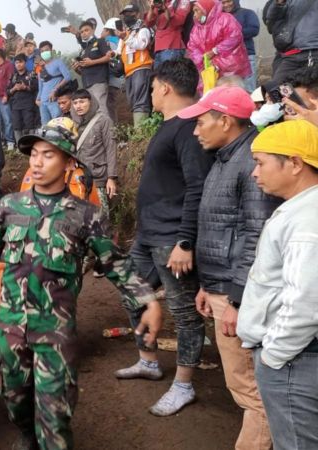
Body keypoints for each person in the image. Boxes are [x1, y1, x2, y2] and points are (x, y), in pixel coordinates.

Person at [0, 122, 163, 450]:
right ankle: (26, 433)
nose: (36, 162)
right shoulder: (9, 207)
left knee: (55, 413)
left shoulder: (84, 215)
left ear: (68, 163)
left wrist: (147, 300)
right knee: (12, 393)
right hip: (11, 327)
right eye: (33, 154)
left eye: (47, 155)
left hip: (54, 331)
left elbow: (115, 263)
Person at [177, 86, 279, 449]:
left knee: (253, 390)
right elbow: (223, 228)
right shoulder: (226, 157)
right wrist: (210, 285)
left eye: (201, 121)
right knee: (243, 385)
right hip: (226, 289)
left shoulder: (252, 161)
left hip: (242, 296)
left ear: (225, 120)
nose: (195, 130)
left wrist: (236, 299)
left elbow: (257, 235)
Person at [114, 58, 215, 416]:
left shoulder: (189, 128)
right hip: (148, 235)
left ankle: (184, 385)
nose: (151, 92)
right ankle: (149, 361)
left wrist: (185, 241)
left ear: (167, 88)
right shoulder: (169, 125)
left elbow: (197, 187)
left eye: (154, 87)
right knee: (132, 293)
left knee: (185, 316)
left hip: (172, 239)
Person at [237, 120, 318, 449]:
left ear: (295, 163)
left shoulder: (307, 222)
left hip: (294, 361)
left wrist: (273, 356)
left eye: (260, 163)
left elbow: (306, 302)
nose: (255, 173)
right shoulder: (301, 210)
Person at [188, 0, 251, 93]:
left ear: (205, 10)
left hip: (230, 69)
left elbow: (234, 37)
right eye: (194, 11)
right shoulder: (196, 28)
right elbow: (192, 47)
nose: (194, 14)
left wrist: (215, 51)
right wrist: (202, 58)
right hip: (209, 70)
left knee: (234, 95)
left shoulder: (225, 19)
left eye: (197, 10)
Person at [70, 89, 118, 213]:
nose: (78, 106)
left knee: (101, 217)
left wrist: (111, 178)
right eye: (75, 103)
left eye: (82, 102)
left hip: (98, 178)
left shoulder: (104, 121)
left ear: (90, 102)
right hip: (78, 180)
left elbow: (111, 148)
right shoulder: (72, 125)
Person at [263, 0, 318, 84]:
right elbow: (271, 24)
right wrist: (278, 4)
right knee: (275, 90)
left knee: (310, 89)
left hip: (312, 50)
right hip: (290, 53)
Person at [119, 3, 154, 126]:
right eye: (124, 14)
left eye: (129, 14)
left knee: (140, 100)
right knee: (132, 101)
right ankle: (142, 127)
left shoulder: (143, 29)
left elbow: (142, 45)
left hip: (141, 68)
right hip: (128, 71)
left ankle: (141, 131)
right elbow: (119, 51)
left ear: (137, 14)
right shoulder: (126, 32)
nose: (126, 17)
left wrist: (126, 38)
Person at [73, 21, 111, 116]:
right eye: (81, 32)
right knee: (93, 111)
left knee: (101, 109)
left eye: (86, 30)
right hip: (87, 84)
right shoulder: (84, 50)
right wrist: (77, 69)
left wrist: (92, 62)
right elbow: (84, 70)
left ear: (93, 30)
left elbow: (109, 57)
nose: (84, 33)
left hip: (98, 81)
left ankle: (108, 130)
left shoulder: (100, 41)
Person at [221, 0, 259, 92]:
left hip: (247, 56)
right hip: (227, 62)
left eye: (228, 1)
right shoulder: (219, 18)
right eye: (223, 2)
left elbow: (254, 30)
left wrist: (233, 35)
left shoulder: (247, 13)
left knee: (249, 90)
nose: (226, 5)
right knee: (231, 92)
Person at [144, 0, 193, 67]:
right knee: (159, 77)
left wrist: (165, 9)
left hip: (172, 46)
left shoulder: (182, 1)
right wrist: (151, 8)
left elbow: (179, 21)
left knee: (169, 75)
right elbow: (148, 23)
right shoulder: (160, 2)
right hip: (158, 48)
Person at [36, 40, 72, 125]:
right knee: (45, 126)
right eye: (42, 51)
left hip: (54, 99)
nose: (44, 52)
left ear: (51, 51)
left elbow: (68, 77)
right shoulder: (40, 68)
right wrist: (37, 99)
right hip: (43, 102)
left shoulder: (58, 62)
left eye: (46, 50)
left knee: (57, 124)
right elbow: (40, 86)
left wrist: (55, 90)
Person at [8, 54, 39, 142]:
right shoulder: (13, 77)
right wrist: (14, 88)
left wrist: (25, 87)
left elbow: (36, 87)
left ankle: (32, 145)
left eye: (20, 62)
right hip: (15, 106)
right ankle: (19, 146)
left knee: (30, 125)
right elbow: (7, 92)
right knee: (17, 127)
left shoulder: (31, 74)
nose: (18, 64)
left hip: (28, 105)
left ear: (25, 63)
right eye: (16, 63)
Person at [102, 17, 125, 124]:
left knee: (111, 105)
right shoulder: (122, 40)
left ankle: (115, 128)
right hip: (124, 76)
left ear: (108, 30)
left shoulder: (107, 42)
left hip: (113, 80)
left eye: (103, 30)